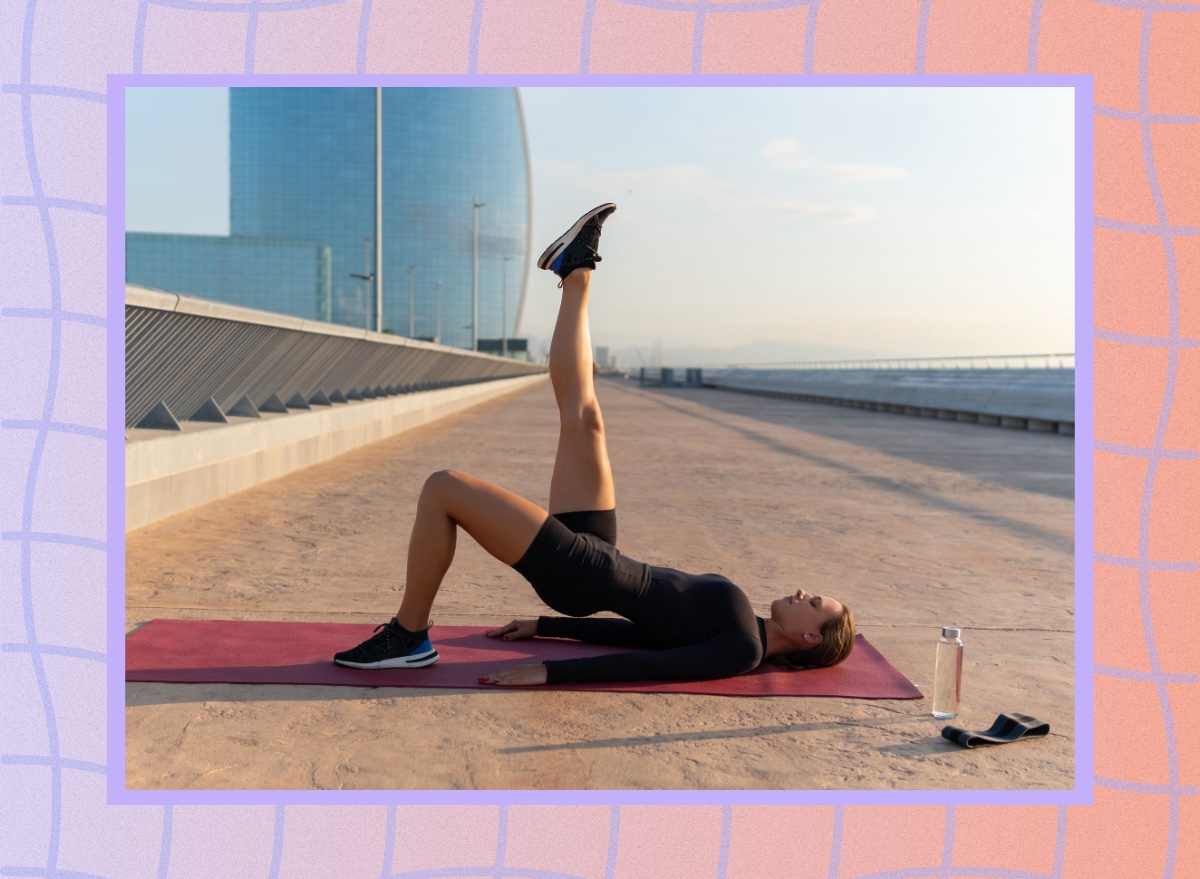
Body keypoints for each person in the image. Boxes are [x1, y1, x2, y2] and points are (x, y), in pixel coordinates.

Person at [333, 203, 855, 685]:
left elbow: (655, 668)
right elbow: (643, 636)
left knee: (444, 487)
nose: (805, 592)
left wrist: (552, 673)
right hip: (602, 556)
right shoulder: (747, 628)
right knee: (584, 417)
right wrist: (544, 626)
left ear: (811, 637)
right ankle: (576, 268)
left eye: (816, 604)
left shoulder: (742, 650)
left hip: (585, 575)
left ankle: (409, 636)